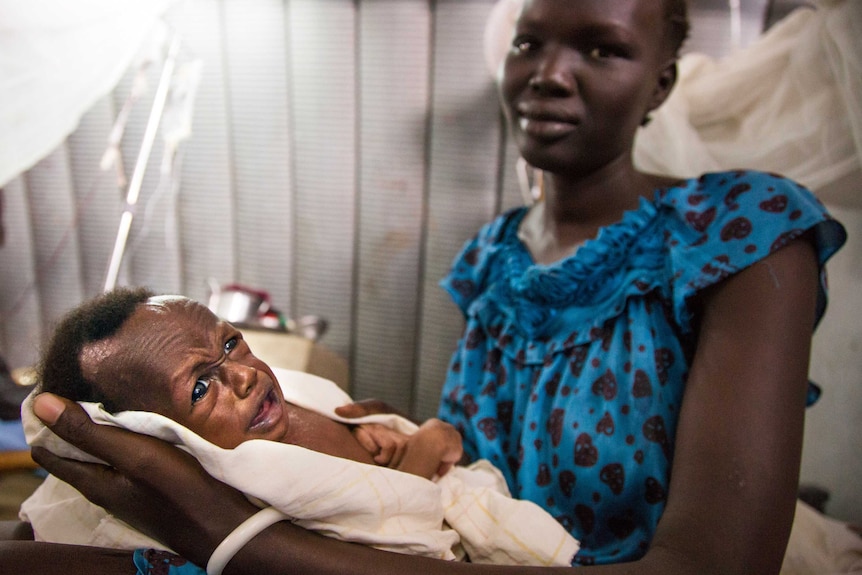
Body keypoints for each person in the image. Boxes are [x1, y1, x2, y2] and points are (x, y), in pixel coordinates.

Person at [0, 1, 850, 574]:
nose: (550, 74)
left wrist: (242, 538)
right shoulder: (493, 260)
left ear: (661, 81)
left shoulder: (740, 232)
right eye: (531, 41)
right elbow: (461, 464)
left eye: (602, 48)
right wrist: (361, 433)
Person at [17, 287, 578, 565]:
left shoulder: (275, 399)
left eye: (231, 342)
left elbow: (356, 426)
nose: (243, 375)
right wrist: (425, 453)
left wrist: (400, 432)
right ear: (149, 435)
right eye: (198, 386)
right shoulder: (232, 479)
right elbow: (402, 512)